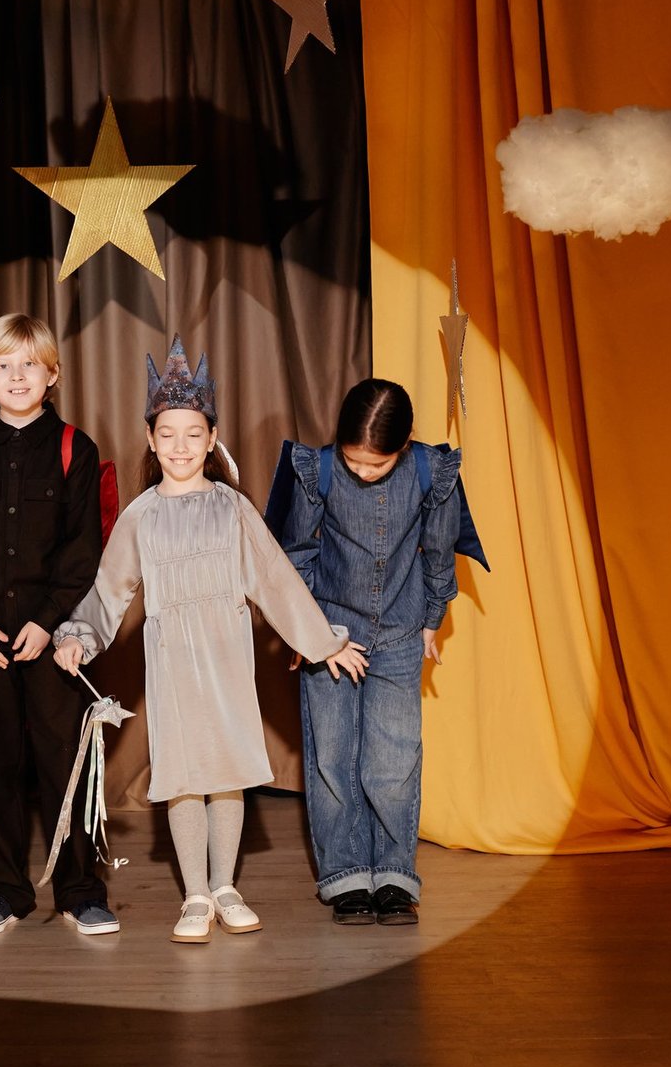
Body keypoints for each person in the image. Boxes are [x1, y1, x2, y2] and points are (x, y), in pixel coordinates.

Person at [53, 337, 369, 944]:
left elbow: (275, 581)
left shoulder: (233, 508)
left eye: (193, 434)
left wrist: (325, 643)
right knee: (185, 775)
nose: (180, 446)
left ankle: (226, 885)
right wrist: (78, 637)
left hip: (227, 658)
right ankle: (194, 894)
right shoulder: (140, 515)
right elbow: (109, 590)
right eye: (167, 434)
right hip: (171, 664)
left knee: (226, 772)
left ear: (212, 437)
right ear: (150, 439)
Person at [0, 314, 118, 937]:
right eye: (3, 366)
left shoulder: (76, 450)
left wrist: (48, 621)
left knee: (68, 762)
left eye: (30, 365)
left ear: (52, 375)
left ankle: (81, 892)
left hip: (52, 637)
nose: (17, 376)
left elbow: (83, 551)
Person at [272, 378, 477, 926]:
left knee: (393, 760)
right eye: (354, 461)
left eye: (376, 464)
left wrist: (432, 623)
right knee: (333, 760)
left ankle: (393, 876)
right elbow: (296, 554)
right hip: (331, 633)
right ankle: (345, 877)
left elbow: (438, 553)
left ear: (404, 445)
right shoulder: (316, 470)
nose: (363, 472)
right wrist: (308, 633)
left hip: (400, 635)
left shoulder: (432, 473)